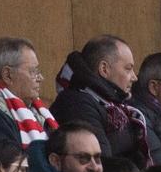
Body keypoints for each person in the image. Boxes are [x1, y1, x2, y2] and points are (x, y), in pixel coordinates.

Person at [53, 35, 149, 163]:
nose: (134, 77)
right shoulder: (78, 104)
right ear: (104, 69)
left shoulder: (117, 106)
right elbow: (103, 165)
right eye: (128, 69)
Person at [0, 37, 56, 148]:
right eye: (33, 71)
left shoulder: (34, 110)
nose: (41, 78)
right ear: (7, 75)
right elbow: (9, 162)